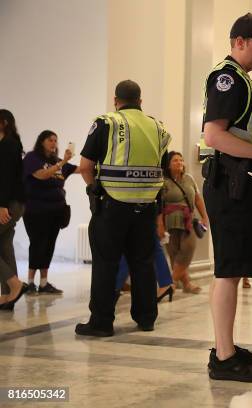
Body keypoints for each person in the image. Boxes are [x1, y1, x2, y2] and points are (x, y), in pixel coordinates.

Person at [201, 13, 252, 382]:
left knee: (233, 270)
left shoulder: (244, 83)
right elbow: (214, 137)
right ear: (239, 42)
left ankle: (227, 347)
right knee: (228, 272)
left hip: (241, 186)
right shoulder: (228, 78)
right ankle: (223, 356)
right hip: (228, 186)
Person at [75, 80, 171, 337]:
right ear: (140, 101)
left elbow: (85, 166)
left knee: (106, 263)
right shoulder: (158, 127)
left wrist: (94, 188)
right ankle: (146, 317)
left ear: (116, 101)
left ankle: (102, 322)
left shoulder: (107, 122)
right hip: (146, 206)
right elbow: (162, 167)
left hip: (113, 206)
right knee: (143, 262)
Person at [22, 130, 80, 295]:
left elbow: (81, 169)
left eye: (55, 140)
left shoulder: (57, 161)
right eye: (50, 140)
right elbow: (41, 175)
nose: (54, 143)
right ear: (42, 141)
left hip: (56, 211)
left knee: (49, 245)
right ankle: (31, 283)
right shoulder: (32, 158)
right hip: (36, 211)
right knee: (37, 244)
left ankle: (44, 283)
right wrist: (62, 163)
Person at [160, 151, 208, 294]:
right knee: (174, 253)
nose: (180, 163)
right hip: (170, 220)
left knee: (188, 249)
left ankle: (171, 283)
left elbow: (198, 199)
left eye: (181, 160)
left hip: (188, 219)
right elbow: (159, 204)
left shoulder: (189, 179)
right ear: (168, 165)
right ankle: (187, 284)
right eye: (175, 160)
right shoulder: (163, 181)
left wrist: (204, 216)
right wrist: (160, 224)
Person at [0, 109, 27, 310]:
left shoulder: (8, 145)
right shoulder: (9, 144)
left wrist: (2, 206)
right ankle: (9, 296)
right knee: (5, 246)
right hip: (12, 202)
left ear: (4, 122)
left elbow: (6, 178)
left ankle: (14, 285)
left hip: (8, 204)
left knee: (5, 245)